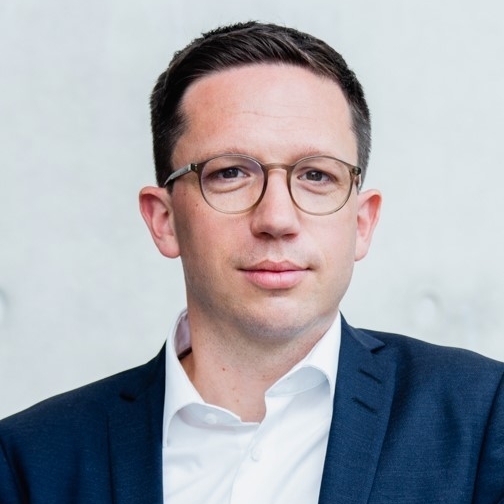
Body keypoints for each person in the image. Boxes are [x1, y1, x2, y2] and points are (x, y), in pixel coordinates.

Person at [0, 21, 503, 504]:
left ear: (362, 222)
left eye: (316, 175)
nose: (277, 218)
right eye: (231, 173)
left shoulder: (484, 418)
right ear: (164, 220)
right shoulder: (30, 462)